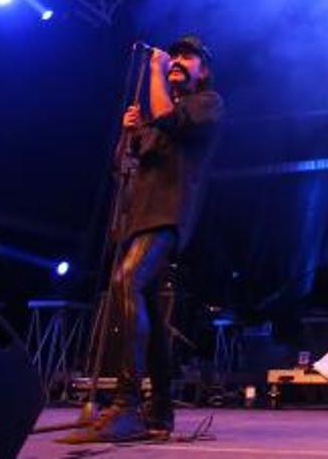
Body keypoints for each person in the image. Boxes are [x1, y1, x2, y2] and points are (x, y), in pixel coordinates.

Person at [68, 35, 223, 445]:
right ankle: (160, 412)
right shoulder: (157, 117)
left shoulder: (207, 103)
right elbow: (124, 166)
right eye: (174, 55)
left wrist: (155, 69)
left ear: (204, 70)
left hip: (167, 216)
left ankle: (127, 404)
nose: (177, 61)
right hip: (138, 218)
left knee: (126, 282)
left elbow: (171, 118)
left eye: (187, 56)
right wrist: (127, 134)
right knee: (150, 316)